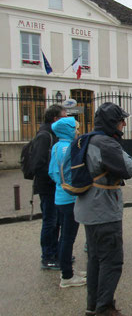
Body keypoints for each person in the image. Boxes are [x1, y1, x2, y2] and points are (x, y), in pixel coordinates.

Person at [74, 102, 132, 316]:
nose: (124, 124)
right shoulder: (107, 143)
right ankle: (105, 309)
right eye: (121, 120)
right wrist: (120, 149)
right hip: (104, 210)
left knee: (95, 258)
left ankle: (93, 303)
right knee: (112, 260)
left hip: (86, 208)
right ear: (113, 123)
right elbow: (129, 168)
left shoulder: (84, 139)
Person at [48, 117, 86, 288]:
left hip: (59, 195)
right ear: (69, 130)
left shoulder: (56, 147)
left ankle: (67, 270)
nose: (77, 131)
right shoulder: (71, 147)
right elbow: (77, 172)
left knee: (64, 236)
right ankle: (67, 276)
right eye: (75, 128)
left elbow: (51, 172)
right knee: (68, 238)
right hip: (71, 197)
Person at [31, 104, 67, 270]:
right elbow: (38, 164)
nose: (66, 119)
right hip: (48, 187)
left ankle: (57, 253)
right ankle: (48, 256)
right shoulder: (45, 136)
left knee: (57, 221)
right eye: (64, 116)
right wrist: (55, 175)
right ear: (56, 119)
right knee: (50, 222)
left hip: (55, 186)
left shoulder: (53, 134)